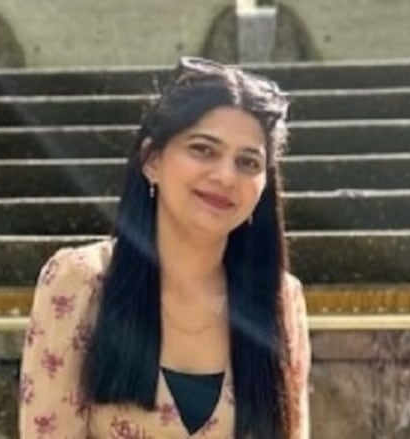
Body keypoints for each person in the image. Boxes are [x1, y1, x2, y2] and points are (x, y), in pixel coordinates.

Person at [19, 56, 311, 438]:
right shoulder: (81, 281)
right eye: (203, 149)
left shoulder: (279, 297)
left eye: (248, 162)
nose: (225, 176)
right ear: (152, 160)